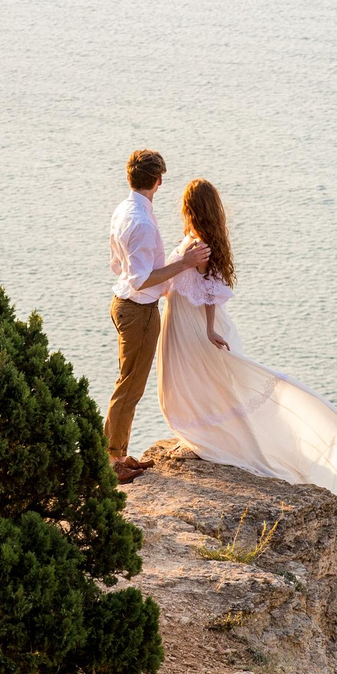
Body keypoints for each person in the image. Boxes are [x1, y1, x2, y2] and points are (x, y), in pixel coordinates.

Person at [153, 177, 337, 535]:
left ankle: (206, 433)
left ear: (190, 208)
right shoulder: (204, 240)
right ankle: (202, 429)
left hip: (188, 324)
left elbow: (208, 290)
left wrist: (209, 329)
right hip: (185, 321)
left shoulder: (198, 244)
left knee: (191, 378)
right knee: (193, 379)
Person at [106, 148, 209, 480]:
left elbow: (119, 266)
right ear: (159, 181)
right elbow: (140, 281)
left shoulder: (125, 210)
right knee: (130, 387)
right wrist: (184, 264)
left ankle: (117, 454)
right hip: (138, 311)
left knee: (129, 383)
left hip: (125, 305)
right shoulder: (142, 222)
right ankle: (112, 462)